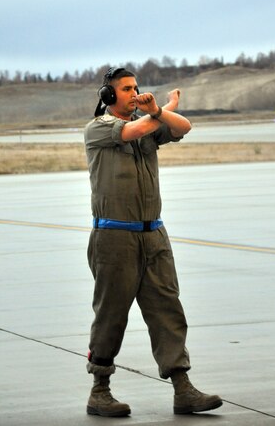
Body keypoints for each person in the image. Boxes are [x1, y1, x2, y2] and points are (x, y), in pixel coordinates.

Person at [84, 66, 223, 417]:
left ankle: (183, 389)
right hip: (114, 237)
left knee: (167, 310)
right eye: (127, 89)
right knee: (111, 314)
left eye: (136, 88)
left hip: (154, 236)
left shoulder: (147, 124)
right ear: (109, 95)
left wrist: (161, 110)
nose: (133, 93)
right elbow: (135, 129)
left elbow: (183, 127)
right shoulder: (99, 128)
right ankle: (100, 390)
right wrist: (157, 111)